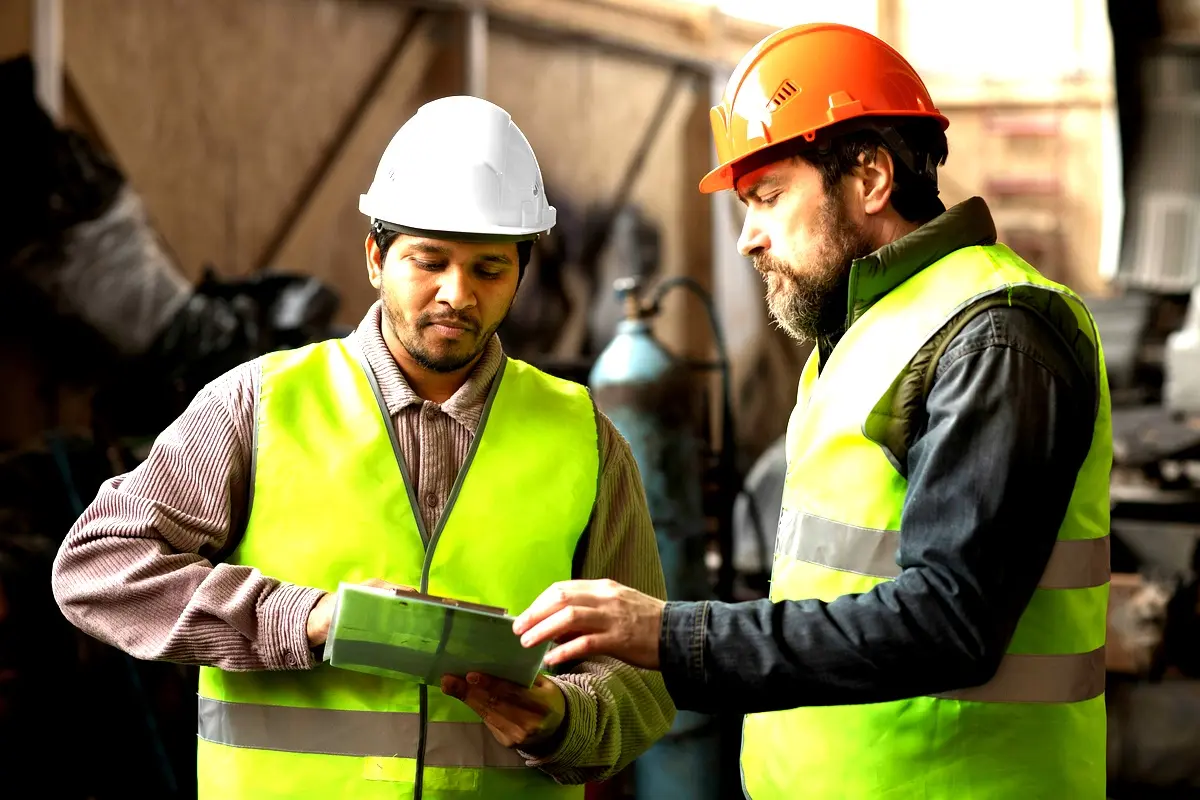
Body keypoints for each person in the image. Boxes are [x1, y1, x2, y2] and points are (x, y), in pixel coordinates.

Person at [512, 22, 1112, 799]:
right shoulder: (859, 335)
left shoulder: (993, 336)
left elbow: (950, 622)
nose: (747, 239)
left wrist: (671, 633)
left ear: (868, 178)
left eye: (766, 197)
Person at [51, 95, 674, 799]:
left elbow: (644, 684)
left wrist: (566, 721)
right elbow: (97, 567)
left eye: (489, 269)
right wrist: (305, 619)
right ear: (376, 257)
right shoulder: (257, 405)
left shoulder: (582, 435)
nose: (456, 295)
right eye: (429, 261)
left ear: (521, 274)